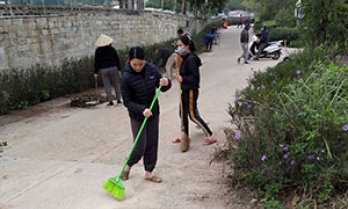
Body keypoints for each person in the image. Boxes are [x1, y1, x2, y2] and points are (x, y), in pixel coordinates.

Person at [120, 46, 172, 183]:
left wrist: (166, 83)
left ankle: (149, 172)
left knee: (152, 143)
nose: (138, 67)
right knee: (139, 145)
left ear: (145, 61)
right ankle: (128, 165)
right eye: (134, 64)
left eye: (141, 64)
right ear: (129, 62)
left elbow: (163, 86)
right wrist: (142, 109)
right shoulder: (126, 77)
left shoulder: (152, 69)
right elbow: (127, 101)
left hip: (153, 112)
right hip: (137, 115)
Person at [175, 35, 217, 152]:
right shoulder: (185, 57)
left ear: (187, 46)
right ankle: (185, 137)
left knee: (192, 114)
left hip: (191, 90)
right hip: (185, 89)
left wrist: (183, 79)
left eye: (181, 45)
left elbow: (194, 78)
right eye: (177, 45)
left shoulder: (192, 59)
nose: (179, 47)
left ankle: (209, 135)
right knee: (182, 112)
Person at [94, 34, 122, 106]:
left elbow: (96, 62)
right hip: (113, 68)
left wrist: (95, 72)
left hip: (103, 69)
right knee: (116, 83)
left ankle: (111, 101)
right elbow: (117, 59)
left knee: (107, 85)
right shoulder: (112, 49)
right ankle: (118, 99)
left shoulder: (98, 51)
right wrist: (119, 69)